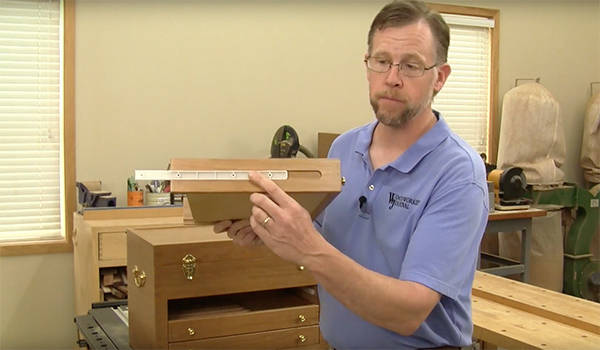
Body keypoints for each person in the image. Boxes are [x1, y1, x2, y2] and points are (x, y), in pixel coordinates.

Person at [214, 0, 489, 348]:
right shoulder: (343, 149)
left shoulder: (458, 173)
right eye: (382, 61)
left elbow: (409, 311)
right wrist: (265, 230)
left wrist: (307, 247)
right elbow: (318, 242)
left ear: (440, 78)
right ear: (367, 65)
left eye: (411, 66)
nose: (392, 78)